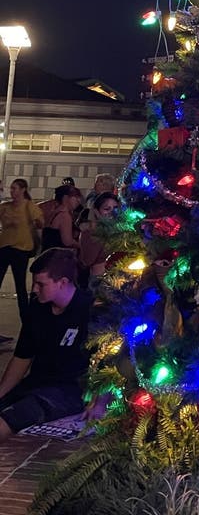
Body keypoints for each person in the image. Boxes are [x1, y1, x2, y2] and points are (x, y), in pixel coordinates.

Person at [0, 247, 92, 441]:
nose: (34, 290)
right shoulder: (38, 308)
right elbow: (22, 358)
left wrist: (99, 401)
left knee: (14, 417)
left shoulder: (89, 310)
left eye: (40, 284)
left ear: (62, 283)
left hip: (69, 390)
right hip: (37, 383)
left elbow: (107, 362)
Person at [0, 179, 44, 323]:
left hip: (21, 249)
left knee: (20, 285)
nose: (12, 192)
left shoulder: (29, 206)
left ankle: (25, 319)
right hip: (5, 247)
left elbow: (40, 222)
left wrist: (35, 223)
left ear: (23, 190)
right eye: (11, 189)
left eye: (15, 188)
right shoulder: (5, 207)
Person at [77, 192, 118, 288]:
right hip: (100, 282)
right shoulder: (89, 233)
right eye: (107, 209)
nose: (112, 212)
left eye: (116, 208)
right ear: (96, 212)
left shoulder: (123, 231)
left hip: (121, 280)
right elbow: (87, 260)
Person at [41, 184, 81, 251]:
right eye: (76, 197)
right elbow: (68, 242)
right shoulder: (64, 215)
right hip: (57, 257)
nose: (79, 200)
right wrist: (82, 246)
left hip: (47, 255)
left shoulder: (54, 212)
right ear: (65, 198)